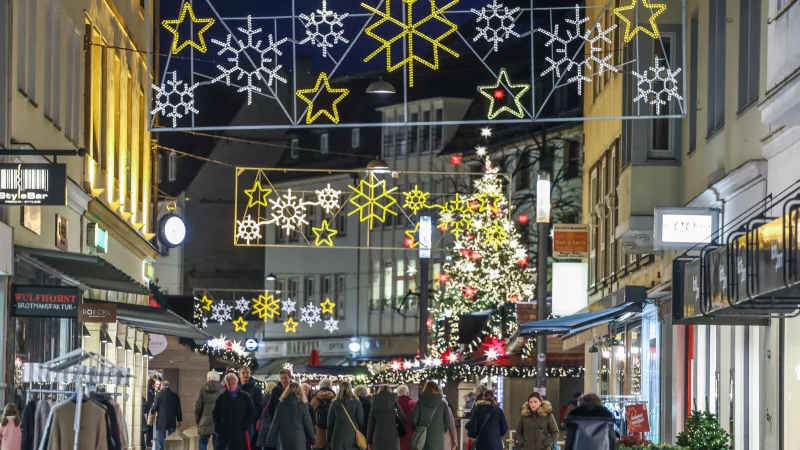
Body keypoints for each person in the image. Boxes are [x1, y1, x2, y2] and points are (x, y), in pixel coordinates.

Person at [266, 382, 316, 450]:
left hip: (284, 440)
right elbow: (308, 424)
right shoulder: (302, 405)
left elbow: (275, 423)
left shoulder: (281, 406)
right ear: (300, 392)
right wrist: (313, 440)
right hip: (299, 441)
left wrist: (269, 440)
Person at [214, 372, 256, 450]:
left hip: (240, 432)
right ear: (226, 384)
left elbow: (251, 412)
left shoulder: (245, 397)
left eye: (233, 383)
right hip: (224, 432)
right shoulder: (221, 398)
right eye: (229, 383)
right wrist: (217, 427)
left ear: (237, 382)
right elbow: (215, 414)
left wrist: (245, 425)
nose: (231, 385)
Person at [410, 381, 451, 450]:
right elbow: (447, 422)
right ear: (436, 390)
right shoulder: (443, 403)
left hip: (423, 439)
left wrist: (419, 429)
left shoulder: (420, 402)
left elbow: (413, 419)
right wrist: (440, 431)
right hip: (438, 440)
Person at [326, 381, 364, 450]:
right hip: (352, 434)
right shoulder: (356, 402)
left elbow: (330, 422)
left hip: (337, 434)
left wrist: (329, 438)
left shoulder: (334, 403)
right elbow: (360, 419)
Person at [366, 386, 404, 450]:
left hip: (378, 436)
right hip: (393, 436)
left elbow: (371, 424)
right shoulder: (394, 404)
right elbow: (402, 420)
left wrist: (369, 442)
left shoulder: (374, 405)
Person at [195, 370, 224, 450]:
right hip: (218, 423)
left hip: (204, 421)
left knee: (203, 443)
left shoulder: (202, 390)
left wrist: (198, 420)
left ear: (208, 379)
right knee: (217, 444)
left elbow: (198, 407)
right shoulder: (223, 390)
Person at [150, 380, 182, 450]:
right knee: (171, 439)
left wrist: (152, 411)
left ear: (162, 386)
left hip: (161, 421)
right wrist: (179, 420)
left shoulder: (158, 395)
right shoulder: (175, 396)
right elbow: (178, 409)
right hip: (171, 421)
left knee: (162, 440)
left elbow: (154, 407)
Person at [239, 366, 264, 449]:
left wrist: (250, 420)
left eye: (247, 373)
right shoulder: (236, 389)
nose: (245, 375)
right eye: (243, 373)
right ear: (239, 375)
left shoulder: (256, 390)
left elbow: (259, 407)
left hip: (251, 424)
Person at [310, 378, 337, 449]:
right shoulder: (335, 398)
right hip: (332, 432)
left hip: (318, 432)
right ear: (330, 386)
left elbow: (309, 413)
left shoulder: (315, 398)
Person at [395, 385, 415, 450]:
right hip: (411, 436)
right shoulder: (412, 403)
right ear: (407, 393)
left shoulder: (393, 404)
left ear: (398, 394)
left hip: (397, 435)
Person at [143, 377, 159, 449]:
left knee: (149, 428)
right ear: (152, 384)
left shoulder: (150, 391)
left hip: (149, 412)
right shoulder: (150, 392)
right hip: (150, 413)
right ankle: (149, 443)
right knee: (150, 428)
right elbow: (151, 403)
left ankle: (149, 442)